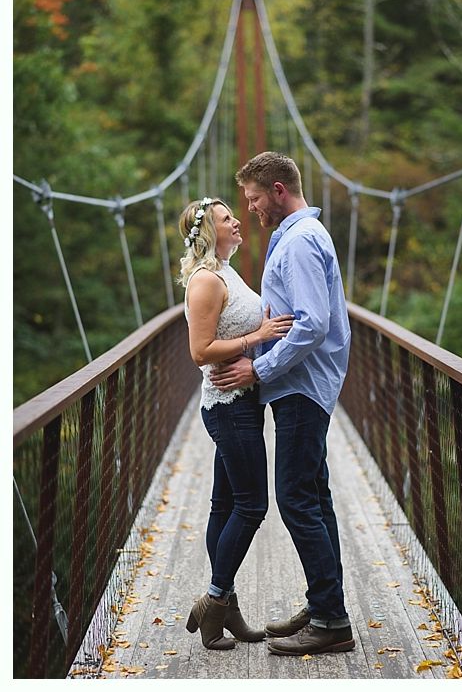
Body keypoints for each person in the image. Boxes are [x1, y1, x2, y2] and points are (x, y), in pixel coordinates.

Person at [208, 151, 354, 656]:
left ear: (277, 191)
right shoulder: (293, 239)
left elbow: (312, 323)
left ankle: (332, 621)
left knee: (295, 499)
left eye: (252, 198)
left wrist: (258, 368)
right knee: (314, 496)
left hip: (300, 386)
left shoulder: (300, 243)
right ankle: (324, 605)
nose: (248, 209)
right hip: (301, 385)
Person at [178, 197, 295, 650]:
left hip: (244, 401)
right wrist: (258, 337)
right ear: (209, 230)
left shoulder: (227, 271)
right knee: (252, 506)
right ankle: (214, 600)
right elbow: (200, 351)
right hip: (227, 405)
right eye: (228, 217)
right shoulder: (206, 281)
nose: (237, 221)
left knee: (223, 507)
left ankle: (223, 612)